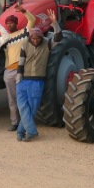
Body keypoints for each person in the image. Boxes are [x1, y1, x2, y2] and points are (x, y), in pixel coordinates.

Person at [16, 10, 61, 142]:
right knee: (23, 107)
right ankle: (31, 131)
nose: (35, 40)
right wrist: (18, 78)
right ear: (30, 38)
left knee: (32, 108)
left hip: (37, 82)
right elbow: (21, 63)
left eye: (37, 38)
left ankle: (20, 132)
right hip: (23, 81)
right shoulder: (25, 46)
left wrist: (54, 23)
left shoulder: (47, 44)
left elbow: (58, 38)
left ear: (41, 37)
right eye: (33, 38)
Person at [0, 4, 36, 131]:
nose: (9, 25)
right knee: (12, 99)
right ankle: (14, 123)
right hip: (8, 71)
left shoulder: (24, 33)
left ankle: (25, 122)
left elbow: (32, 20)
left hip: (22, 70)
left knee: (24, 97)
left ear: (16, 24)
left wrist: (24, 11)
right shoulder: (6, 39)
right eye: (7, 23)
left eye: (11, 23)